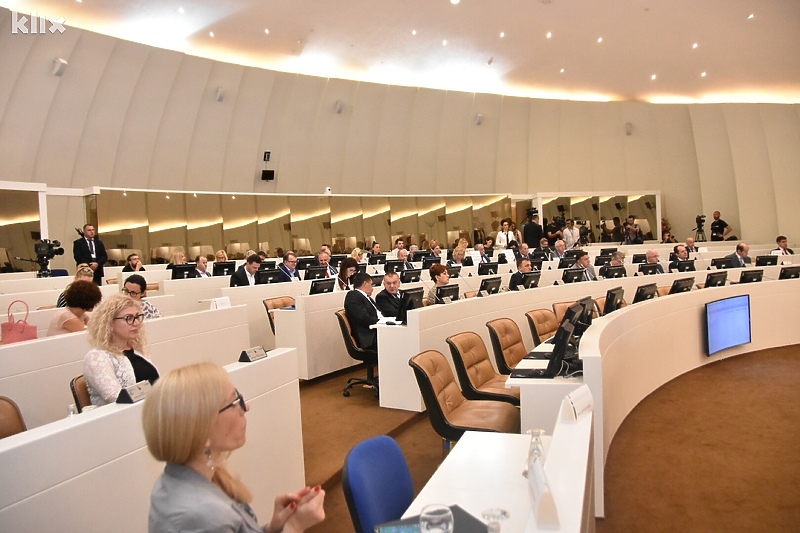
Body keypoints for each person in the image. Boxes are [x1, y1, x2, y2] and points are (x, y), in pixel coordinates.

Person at [142, 362, 325, 533]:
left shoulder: (176, 479)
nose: (245, 408)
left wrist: (274, 527)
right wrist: (295, 526)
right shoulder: (204, 515)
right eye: (233, 403)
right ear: (202, 430)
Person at [83, 294, 159, 406]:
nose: (137, 323)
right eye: (129, 318)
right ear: (109, 323)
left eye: (137, 317)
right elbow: (115, 397)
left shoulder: (136, 351)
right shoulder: (97, 357)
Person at [343, 273, 382, 350]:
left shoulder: (366, 297)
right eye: (371, 284)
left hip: (377, 330)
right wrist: (382, 321)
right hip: (369, 337)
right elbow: (363, 318)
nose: (372, 288)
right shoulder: (353, 296)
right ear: (365, 284)